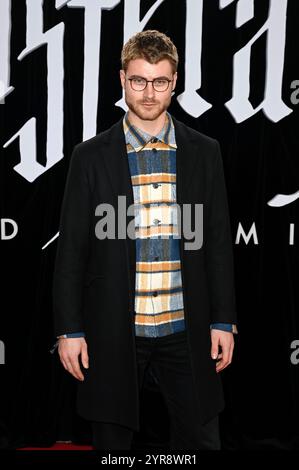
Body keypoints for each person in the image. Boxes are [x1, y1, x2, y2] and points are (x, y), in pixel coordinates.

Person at [52, 30, 237, 450]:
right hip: (115, 327)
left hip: (184, 326)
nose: (148, 93)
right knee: (113, 446)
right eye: (138, 80)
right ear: (122, 79)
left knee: (201, 441)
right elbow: (71, 253)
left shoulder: (204, 151)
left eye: (159, 81)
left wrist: (223, 319)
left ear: (174, 82)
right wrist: (69, 329)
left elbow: (218, 244)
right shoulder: (90, 156)